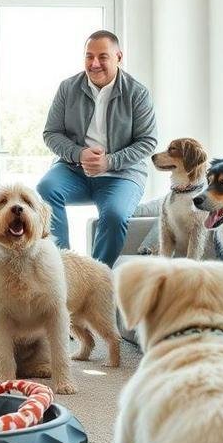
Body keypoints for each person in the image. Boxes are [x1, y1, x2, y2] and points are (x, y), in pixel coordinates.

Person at [37, 30, 156, 267]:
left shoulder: (138, 93)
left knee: (114, 216)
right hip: (73, 169)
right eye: (89, 56)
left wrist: (109, 161)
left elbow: (148, 141)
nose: (94, 63)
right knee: (45, 189)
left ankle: (96, 278)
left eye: (103, 57)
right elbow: (51, 133)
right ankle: (63, 268)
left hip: (121, 174)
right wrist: (79, 153)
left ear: (119, 57)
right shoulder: (67, 88)